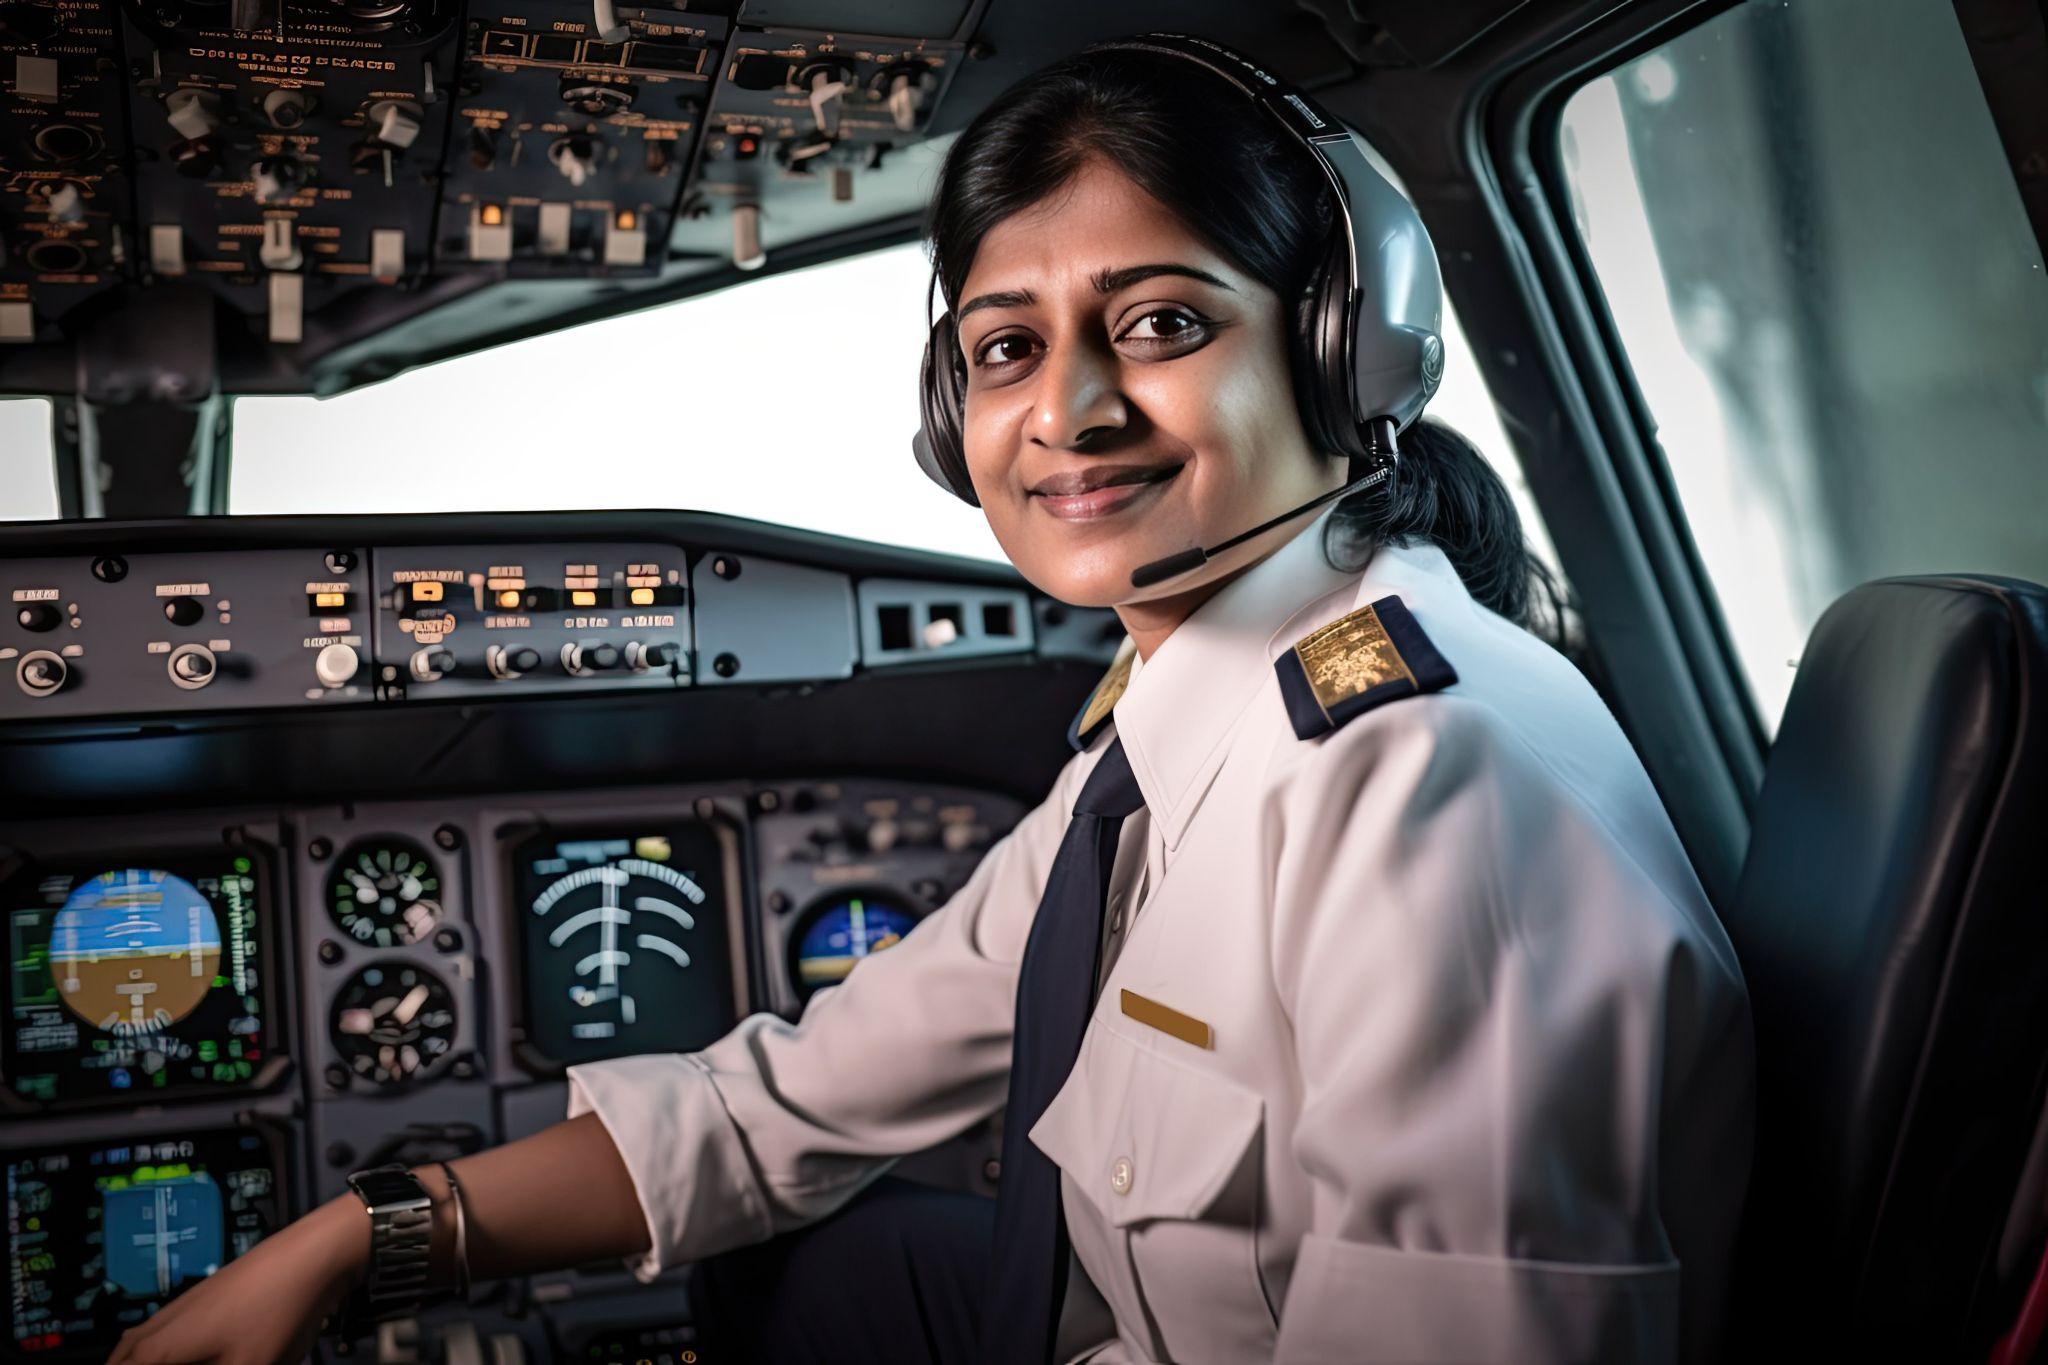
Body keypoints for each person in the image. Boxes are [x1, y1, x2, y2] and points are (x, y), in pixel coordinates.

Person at [112, 36, 1752, 1365]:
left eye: (1162, 324)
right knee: (800, 1260)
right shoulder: (1179, 726)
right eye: (1006, 348)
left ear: (1343, 354)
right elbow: (795, 1101)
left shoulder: (1421, 794)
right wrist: (363, 1236)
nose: (1072, 412)